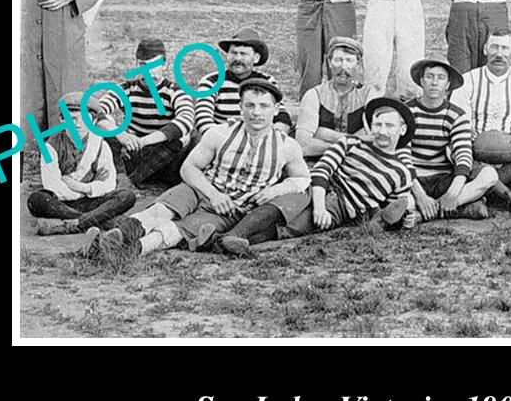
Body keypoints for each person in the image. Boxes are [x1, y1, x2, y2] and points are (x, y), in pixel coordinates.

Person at [88, 79, 310, 263]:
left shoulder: (286, 145)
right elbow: (189, 168)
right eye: (250, 106)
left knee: (177, 230)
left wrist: (276, 190)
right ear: (240, 107)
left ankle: (127, 252)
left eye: (264, 106)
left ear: (276, 109)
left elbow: (302, 178)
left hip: (230, 209)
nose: (256, 113)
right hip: (201, 189)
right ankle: (116, 237)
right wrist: (214, 194)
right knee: (161, 210)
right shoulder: (220, 133)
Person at [214, 98, 419, 255]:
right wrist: (320, 207)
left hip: (343, 208)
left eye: (389, 126)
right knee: (283, 206)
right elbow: (322, 171)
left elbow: (394, 208)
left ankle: (228, 243)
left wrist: (402, 219)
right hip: (319, 188)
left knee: (295, 227)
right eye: (378, 125)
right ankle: (234, 235)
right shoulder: (351, 143)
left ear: (402, 130)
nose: (382, 131)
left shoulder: (402, 173)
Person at [455, 29, 511, 216]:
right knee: (452, 147)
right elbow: (458, 117)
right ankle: (510, 196)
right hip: (475, 148)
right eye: (494, 47)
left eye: (505, 48)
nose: (499, 53)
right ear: (485, 49)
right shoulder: (468, 79)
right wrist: (465, 130)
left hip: (510, 149)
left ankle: (484, 190)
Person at [27, 91, 136, 236]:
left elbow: (109, 184)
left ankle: (74, 223)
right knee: (37, 200)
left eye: (84, 119)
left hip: (92, 199)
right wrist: (91, 187)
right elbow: (53, 186)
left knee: (127, 196)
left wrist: (80, 186)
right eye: (72, 118)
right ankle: (99, 219)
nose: (77, 124)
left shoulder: (100, 144)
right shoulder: (51, 146)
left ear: (94, 121)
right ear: (62, 119)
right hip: (62, 203)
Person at [92, 38, 196, 188]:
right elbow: (95, 110)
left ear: (164, 66)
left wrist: (144, 141)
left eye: (155, 66)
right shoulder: (126, 89)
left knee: (187, 135)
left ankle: (131, 180)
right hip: (134, 152)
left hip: (165, 155)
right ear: (136, 65)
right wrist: (122, 135)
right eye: (143, 65)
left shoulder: (175, 91)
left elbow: (186, 120)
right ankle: (122, 175)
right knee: (102, 124)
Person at [406, 58, 496, 222]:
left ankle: (427, 213)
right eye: (429, 76)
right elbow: (401, 157)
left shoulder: (457, 115)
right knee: (404, 204)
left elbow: (463, 155)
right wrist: (420, 196)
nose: (434, 82)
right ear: (421, 81)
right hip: (414, 180)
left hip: (443, 180)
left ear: (447, 84)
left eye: (440, 78)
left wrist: (452, 193)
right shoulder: (408, 111)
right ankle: (459, 209)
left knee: (490, 175)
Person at [192, 28, 292, 137]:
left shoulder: (267, 81)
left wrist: (274, 137)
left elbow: (282, 116)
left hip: (260, 139)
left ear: (256, 58)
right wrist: (227, 142)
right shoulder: (211, 82)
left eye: (243, 54)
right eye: (233, 53)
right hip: (221, 140)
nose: (237, 58)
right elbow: (203, 119)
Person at [293, 37, 374, 159]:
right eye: (338, 60)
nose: (343, 66)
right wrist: (350, 143)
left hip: (357, 163)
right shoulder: (314, 95)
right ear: (330, 63)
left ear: (358, 65)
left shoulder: (369, 96)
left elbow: (373, 139)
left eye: (349, 60)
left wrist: (322, 132)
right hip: (317, 162)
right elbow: (303, 144)